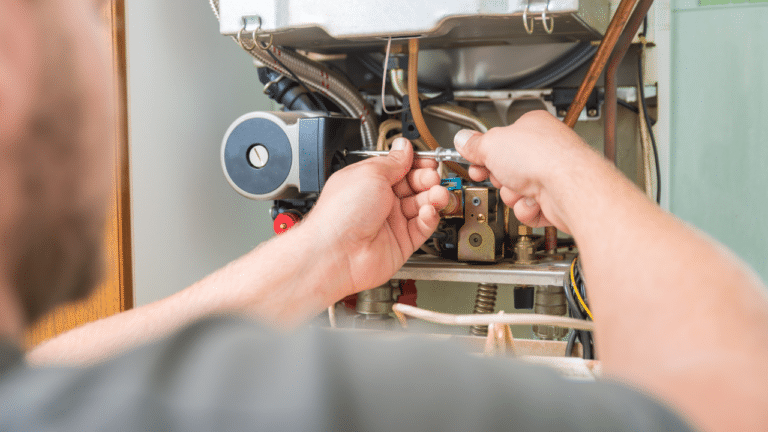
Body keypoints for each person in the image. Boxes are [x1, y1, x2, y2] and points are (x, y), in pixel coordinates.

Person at [1, 0, 766, 431]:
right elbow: (735, 404)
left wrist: (320, 260)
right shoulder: (301, 399)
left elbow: (57, 385)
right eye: (84, 17)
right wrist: (578, 179)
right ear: (16, 56)